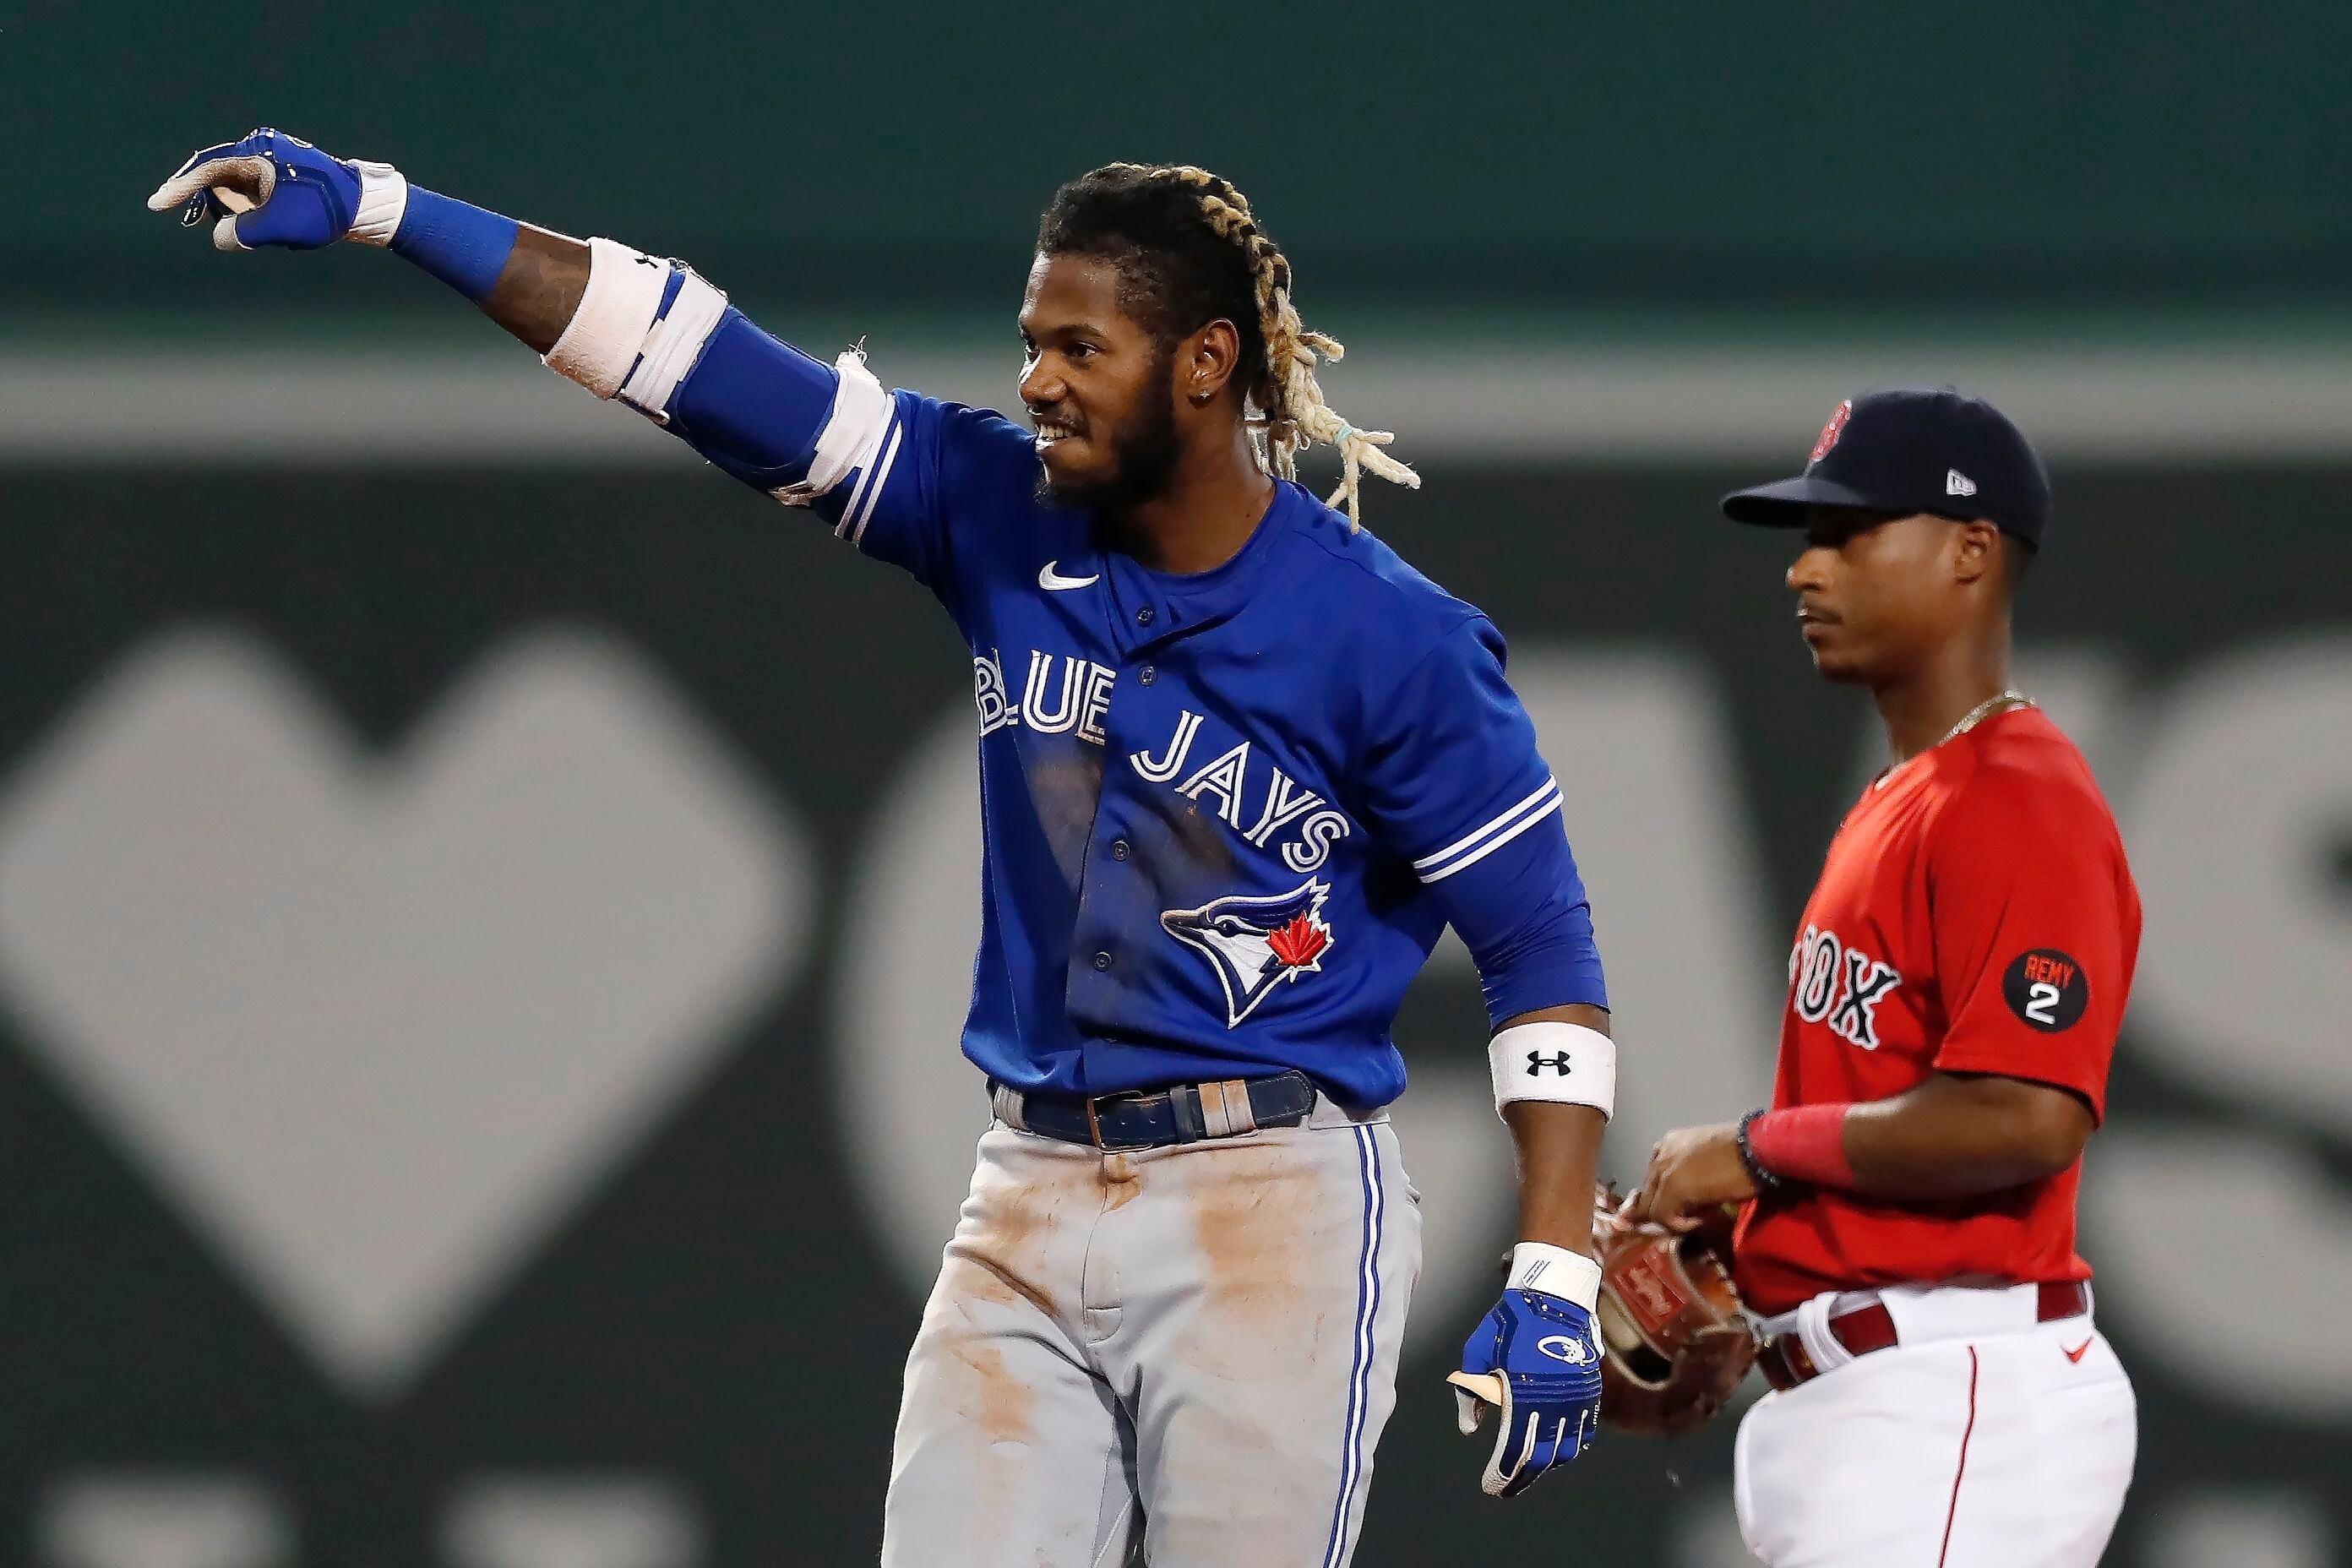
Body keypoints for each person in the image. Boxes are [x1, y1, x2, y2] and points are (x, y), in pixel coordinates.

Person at [148, 130, 1624, 1564]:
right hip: (1029, 1190)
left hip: (1273, 1202)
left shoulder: (1395, 638)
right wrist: (395, 212)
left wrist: (1552, 1268)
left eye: (1078, 348)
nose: (1036, 380)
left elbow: (1540, 951)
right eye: (1031, 340)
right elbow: (692, 359)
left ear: (1206, 363)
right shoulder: (991, 501)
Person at [1625, 388, 2140, 1567]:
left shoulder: (2018, 798)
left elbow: (2028, 1114)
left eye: (1852, 534)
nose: (1809, 571)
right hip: (1868, 1397)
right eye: (1811, 540)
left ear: (1971, 551)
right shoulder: (1909, 793)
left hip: (1954, 1394)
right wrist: (1748, 1235)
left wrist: (1758, 1151)